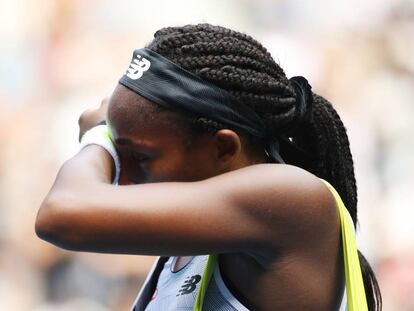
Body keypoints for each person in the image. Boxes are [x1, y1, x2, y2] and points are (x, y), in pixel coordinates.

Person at [35, 24, 381, 310]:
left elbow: (60, 215)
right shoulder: (197, 236)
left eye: (140, 158)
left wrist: (99, 138)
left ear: (223, 147)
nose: (122, 180)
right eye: (122, 159)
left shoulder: (290, 197)